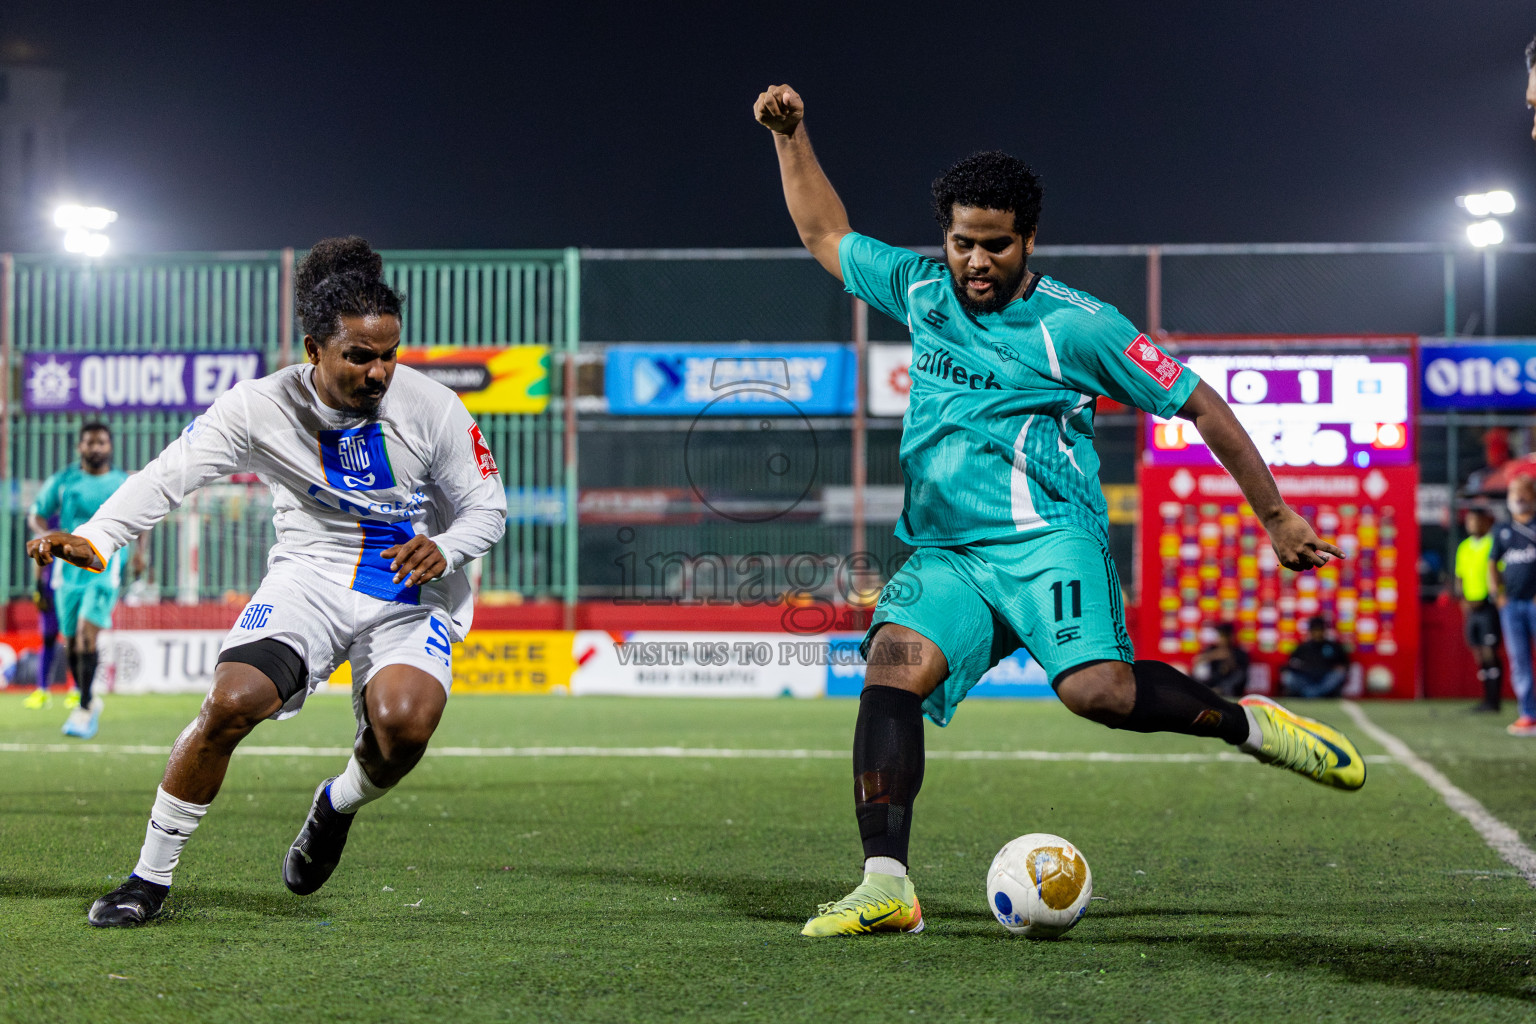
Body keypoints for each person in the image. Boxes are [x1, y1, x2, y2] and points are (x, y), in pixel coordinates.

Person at [753, 84, 1365, 938]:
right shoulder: (920, 290)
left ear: (1028, 239)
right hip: (948, 554)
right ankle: (887, 884)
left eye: (995, 247)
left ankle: (1248, 724)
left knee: (1099, 694)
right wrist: (792, 137)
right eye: (962, 242)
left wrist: (1275, 516)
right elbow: (825, 233)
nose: (975, 262)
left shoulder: (1081, 327)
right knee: (891, 666)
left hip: (1048, 542)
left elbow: (1202, 405)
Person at [27, 237, 508, 927]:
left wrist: (449, 546)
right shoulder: (258, 407)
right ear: (314, 350)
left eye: (389, 354)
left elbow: (487, 507)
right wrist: (101, 537)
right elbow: (170, 473)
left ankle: (336, 804)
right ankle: (147, 879)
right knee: (230, 702)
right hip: (309, 577)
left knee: (402, 730)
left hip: (408, 585)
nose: (380, 373)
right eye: (360, 357)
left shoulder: (433, 406)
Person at [22, 423, 144, 738]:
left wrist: (142, 553)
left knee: (86, 634)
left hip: (106, 564)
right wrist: (44, 535)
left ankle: (85, 707)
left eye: (101, 442)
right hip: (66, 570)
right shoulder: (64, 481)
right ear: (80, 447)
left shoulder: (122, 482)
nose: (95, 448)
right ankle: (87, 699)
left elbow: (143, 518)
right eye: (89, 443)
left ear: (110, 446)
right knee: (72, 643)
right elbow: (36, 513)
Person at [1490, 475, 1536, 736]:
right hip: (1512, 605)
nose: (1518, 497)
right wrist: (1498, 594)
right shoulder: (1502, 530)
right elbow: (1491, 562)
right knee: (1519, 660)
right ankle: (1528, 714)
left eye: (1523, 492)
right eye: (1514, 492)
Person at [1454, 505, 1503, 712]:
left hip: (1487, 605)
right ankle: (1486, 699)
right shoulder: (1464, 546)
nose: (1471, 524)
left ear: (1486, 522)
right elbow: (1459, 576)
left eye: (1476, 520)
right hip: (1471, 607)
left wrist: (1492, 595)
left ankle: (1494, 700)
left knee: (1490, 651)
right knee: (1478, 653)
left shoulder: (1493, 543)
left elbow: (1500, 574)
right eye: (1469, 520)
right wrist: (1462, 598)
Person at [1279, 616, 1350, 699]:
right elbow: (1291, 664)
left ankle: (1314, 694)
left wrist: (1339, 668)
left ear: (1324, 631)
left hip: (1324, 681)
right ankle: (1311, 693)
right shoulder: (1303, 647)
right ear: (1310, 631)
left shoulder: (1333, 646)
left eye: (1319, 630)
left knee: (1338, 674)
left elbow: (1344, 665)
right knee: (1288, 677)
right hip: (1306, 680)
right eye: (1315, 630)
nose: (1317, 633)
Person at [1192, 622, 1250, 698]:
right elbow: (1196, 661)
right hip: (1212, 683)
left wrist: (1229, 658)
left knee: (1240, 674)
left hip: (1230, 687)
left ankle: (1220, 690)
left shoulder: (1239, 652)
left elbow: (1241, 674)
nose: (1222, 639)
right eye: (1220, 636)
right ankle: (1204, 692)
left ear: (1231, 636)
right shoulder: (1212, 649)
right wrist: (1214, 655)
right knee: (1199, 670)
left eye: (1225, 636)